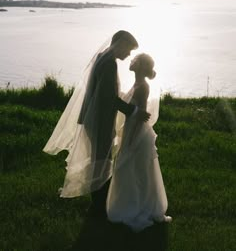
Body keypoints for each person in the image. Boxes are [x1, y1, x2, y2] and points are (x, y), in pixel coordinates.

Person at [43, 30, 150, 216]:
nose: (129, 55)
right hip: (100, 118)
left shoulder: (103, 57)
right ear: (121, 43)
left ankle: (100, 202)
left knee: (98, 158)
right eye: (129, 50)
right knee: (102, 161)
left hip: (94, 117)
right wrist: (133, 111)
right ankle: (99, 206)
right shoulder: (109, 63)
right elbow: (108, 97)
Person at [106, 53, 172, 232]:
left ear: (142, 67)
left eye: (137, 61)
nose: (132, 61)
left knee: (135, 170)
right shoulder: (136, 84)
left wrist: (132, 140)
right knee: (133, 170)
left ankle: (137, 206)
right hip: (131, 130)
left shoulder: (142, 87)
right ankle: (132, 202)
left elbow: (141, 114)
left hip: (137, 133)